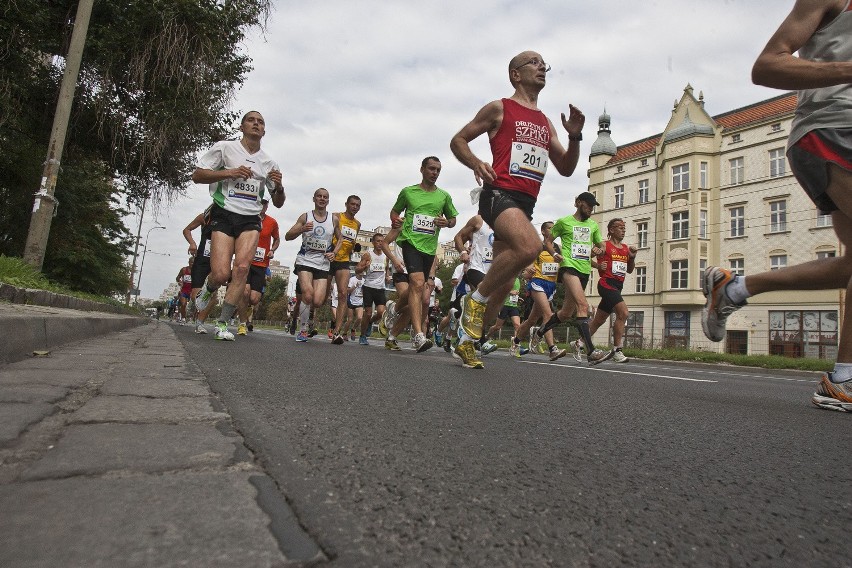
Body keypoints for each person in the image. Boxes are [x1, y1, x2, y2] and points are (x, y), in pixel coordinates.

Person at [703, 0, 852, 412]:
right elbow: (767, 65)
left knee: (848, 265)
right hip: (833, 126)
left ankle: (735, 288)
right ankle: (844, 378)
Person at [450, 50, 585, 369]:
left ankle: (468, 342)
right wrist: (476, 162)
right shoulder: (500, 108)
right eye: (534, 63)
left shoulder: (545, 122)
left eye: (545, 65)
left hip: (525, 205)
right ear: (515, 74)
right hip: (498, 194)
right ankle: (474, 299)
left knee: (503, 289)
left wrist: (575, 136)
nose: (542, 68)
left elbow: (565, 167)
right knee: (531, 247)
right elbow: (459, 140)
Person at [191, 111, 285, 341]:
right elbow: (197, 175)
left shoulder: (269, 162)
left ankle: (222, 323)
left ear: (264, 131)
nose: (256, 124)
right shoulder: (225, 148)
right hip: (224, 214)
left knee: (242, 268)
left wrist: (280, 187)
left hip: (251, 218)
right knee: (221, 274)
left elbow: (279, 202)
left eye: (260, 122)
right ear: (242, 127)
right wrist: (230, 172)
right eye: (251, 120)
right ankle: (208, 289)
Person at [385, 156, 458, 353]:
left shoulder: (443, 196)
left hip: (429, 248)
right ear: (422, 169)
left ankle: (394, 309)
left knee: (415, 291)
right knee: (417, 284)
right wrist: (395, 220)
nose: (434, 173)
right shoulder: (408, 192)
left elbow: (453, 219)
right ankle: (418, 335)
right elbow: (394, 212)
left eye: (438, 170)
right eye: (431, 169)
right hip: (410, 243)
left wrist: (447, 223)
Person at [536, 193, 613, 365]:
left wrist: (599, 250)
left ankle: (540, 332)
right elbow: (548, 241)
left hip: (584, 269)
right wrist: (555, 253)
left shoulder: (593, 225)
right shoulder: (564, 222)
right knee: (583, 305)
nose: (591, 210)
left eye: (593, 207)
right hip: (568, 266)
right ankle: (591, 351)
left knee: (565, 313)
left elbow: (599, 245)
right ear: (578, 203)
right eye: (588, 206)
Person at [571, 218, 637, 363]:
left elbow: (630, 270)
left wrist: (632, 258)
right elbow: (585, 257)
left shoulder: (626, 248)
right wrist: (597, 264)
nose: (623, 230)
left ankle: (579, 343)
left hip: (618, 286)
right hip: (606, 284)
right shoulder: (604, 245)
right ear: (611, 230)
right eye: (620, 227)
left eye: (624, 228)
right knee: (623, 313)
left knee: (598, 320)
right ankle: (617, 350)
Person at [285, 187, 338, 342]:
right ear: (314, 199)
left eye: (325, 197)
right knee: (307, 294)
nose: (322, 199)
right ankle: (303, 330)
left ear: (328, 200)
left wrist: (334, 252)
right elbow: (288, 236)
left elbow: (340, 238)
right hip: (305, 260)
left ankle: (306, 319)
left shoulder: (333, 219)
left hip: (322, 263)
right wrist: (302, 229)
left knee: (318, 301)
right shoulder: (306, 216)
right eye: (319, 196)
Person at [511, 221, 564, 360]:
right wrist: (529, 268)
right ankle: (552, 349)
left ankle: (515, 342)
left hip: (551, 286)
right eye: (549, 228)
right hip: (537, 282)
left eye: (554, 229)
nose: (552, 231)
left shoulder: (558, 248)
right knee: (548, 314)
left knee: (531, 320)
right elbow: (528, 265)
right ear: (543, 232)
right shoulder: (538, 247)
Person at [241, 197, 279, 335]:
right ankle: (243, 322)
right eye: (260, 203)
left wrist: (272, 250)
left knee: (254, 298)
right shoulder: (247, 216)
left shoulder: (272, 222)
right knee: (245, 292)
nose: (262, 206)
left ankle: (246, 315)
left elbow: (277, 239)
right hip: (245, 261)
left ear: (267, 206)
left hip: (261, 264)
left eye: (264, 204)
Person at [329, 195, 362, 344]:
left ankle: (337, 332)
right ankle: (310, 323)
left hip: (344, 261)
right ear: (346, 204)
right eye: (352, 204)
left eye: (357, 205)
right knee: (321, 297)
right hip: (329, 257)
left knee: (343, 294)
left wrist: (353, 248)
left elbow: (352, 241)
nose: (354, 207)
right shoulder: (336, 216)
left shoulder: (357, 224)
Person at [357, 232, 389, 345]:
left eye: (382, 241)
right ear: (373, 243)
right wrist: (365, 266)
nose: (380, 243)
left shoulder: (386, 255)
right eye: (378, 241)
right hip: (368, 287)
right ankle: (362, 336)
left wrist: (387, 277)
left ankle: (370, 322)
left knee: (381, 313)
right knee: (368, 312)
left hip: (380, 288)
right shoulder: (368, 255)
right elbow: (357, 270)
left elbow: (386, 269)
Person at [175, 258, 194, 324]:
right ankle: (183, 318)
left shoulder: (196, 271)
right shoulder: (183, 270)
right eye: (191, 262)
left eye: (194, 263)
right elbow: (177, 277)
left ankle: (190, 316)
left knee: (194, 305)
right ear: (188, 262)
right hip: (184, 290)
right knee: (183, 304)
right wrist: (179, 281)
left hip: (192, 291)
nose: (192, 264)